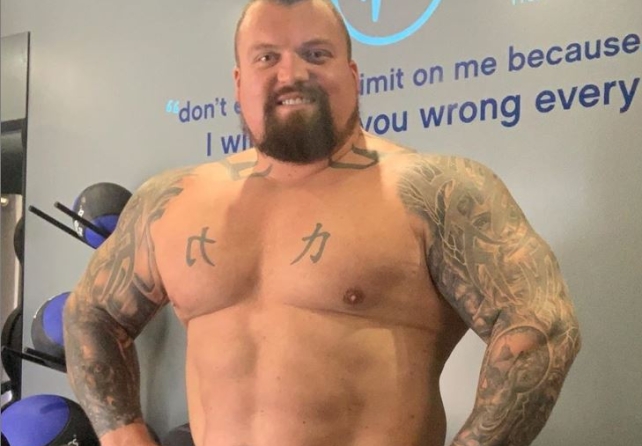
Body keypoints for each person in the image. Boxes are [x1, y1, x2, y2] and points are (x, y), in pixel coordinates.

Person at [62, 0, 582, 445]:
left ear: (352, 75)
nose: (291, 74)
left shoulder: (435, 191)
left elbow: (542, 330)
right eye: (267, 57)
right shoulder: (172, 201)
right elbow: (91, 314)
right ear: (239, 83)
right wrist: (122, 432)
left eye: (316, 54)